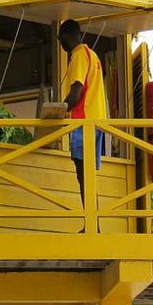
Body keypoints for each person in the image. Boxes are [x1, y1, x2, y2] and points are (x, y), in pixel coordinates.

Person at [59, 19, 107, 209]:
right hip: (96, 121)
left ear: (65, 36)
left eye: (60, 39)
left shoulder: (78, 55)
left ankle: (90, 225)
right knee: (88, 176)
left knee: (82, 174)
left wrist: (59, 110)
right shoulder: (93, 55)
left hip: (83, 121)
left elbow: (76, 93)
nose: (61, 45)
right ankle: (92, 225)